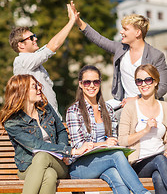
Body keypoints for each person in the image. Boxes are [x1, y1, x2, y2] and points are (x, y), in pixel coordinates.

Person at [66, 65, 151, 194]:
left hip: (105, 162)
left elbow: (113, 138)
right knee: (116, 155)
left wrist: (112, 141)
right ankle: (142, 192)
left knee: (118, 180)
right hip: (80, 167)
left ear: (100, 83)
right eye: (87, 82)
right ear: (81, 84)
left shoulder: (108, 109)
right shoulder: (74, 111)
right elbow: (78, 146)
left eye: (96, 81)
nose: (92, 85)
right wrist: (103, 144)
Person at [0, 74, 89, 194]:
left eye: (38, 85)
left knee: (42, 157)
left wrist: (63, 154)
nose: (39, 88)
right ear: (22, 92)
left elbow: (61, 130)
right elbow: (36, 145)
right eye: (34, 86)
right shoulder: (12, 122)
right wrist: (71, 151)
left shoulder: (46, 108)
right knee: (49, 175)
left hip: (57, 163)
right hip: (28, 168)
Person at [71, 1, 167, 111]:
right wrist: (78, 21)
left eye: (125, 29)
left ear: (137, 33)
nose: (121, 32)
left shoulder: (156, 55)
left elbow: (163, 87)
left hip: (147, 106)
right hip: (124, 104)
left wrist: (138, 98)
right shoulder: (121, 48)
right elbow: (99, 39)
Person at [9, 3, 77, 120]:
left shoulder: (32, 58)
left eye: (34, 36)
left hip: (52, 120)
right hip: (40, 123)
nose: (35, 38)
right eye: (31, 38)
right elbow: (53, 46)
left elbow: (48, 47)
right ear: (20, 45)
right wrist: (71, 21)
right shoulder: (21, 61)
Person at [118, 64, 167, 194]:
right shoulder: (130, 107)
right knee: (159, 159)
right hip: (138, 165)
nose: (143, 84)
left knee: (158, 177)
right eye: (139, 81)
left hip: (162, 164)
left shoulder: (164, 107)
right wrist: (145, 130)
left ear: (156, 82)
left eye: (148, 80)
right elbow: (122, 141)